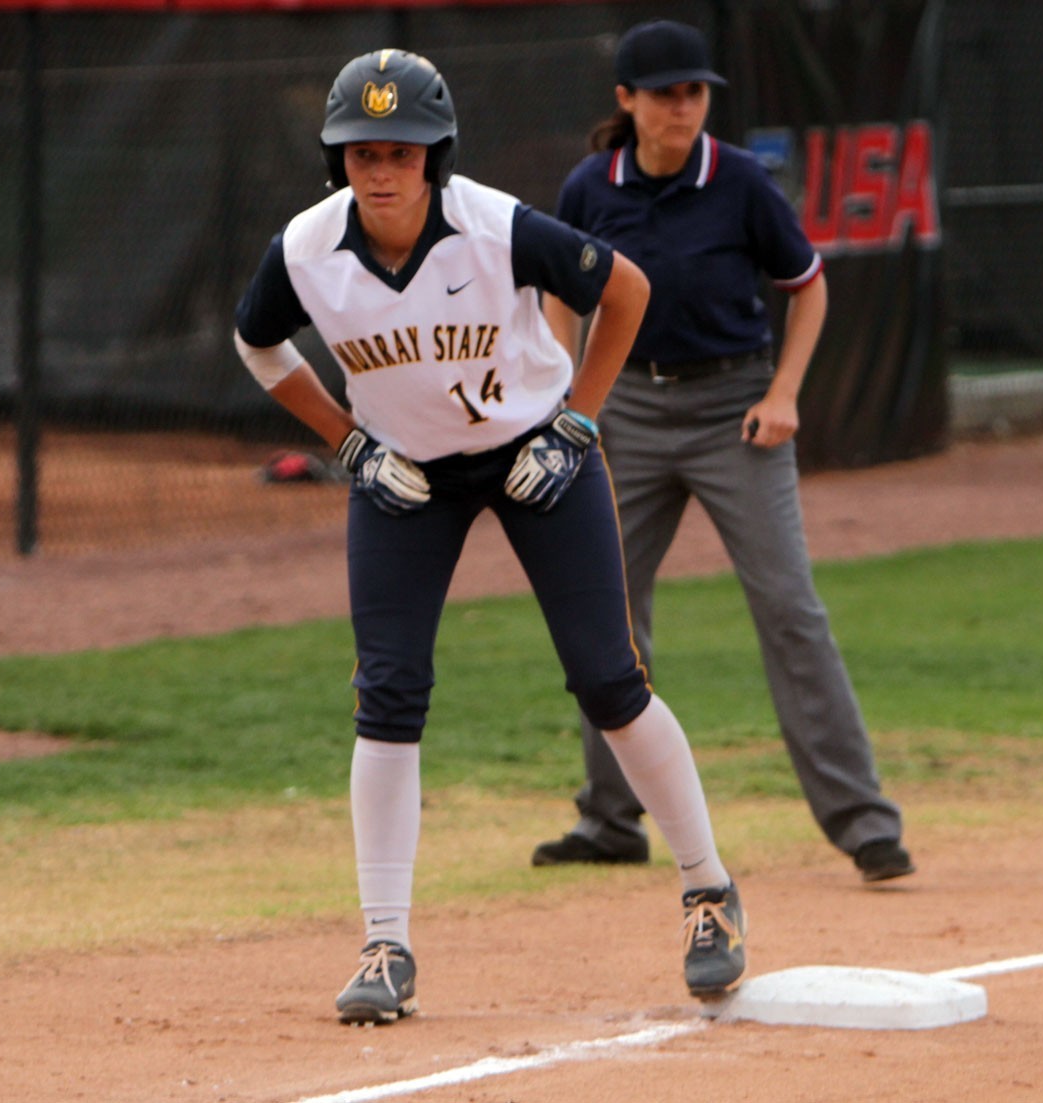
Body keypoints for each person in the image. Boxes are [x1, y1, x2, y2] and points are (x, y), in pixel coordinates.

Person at [233, 48, 748, 1025]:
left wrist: (579, 421)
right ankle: (385, 942)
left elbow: (625, 289)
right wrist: (344, 444)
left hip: (533, 456)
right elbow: (255, 340)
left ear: (438, 154)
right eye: (360, 150)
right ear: (333, 158)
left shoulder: (494, 224)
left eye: (403, 149)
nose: (381, 169)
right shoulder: (304, 248)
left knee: (607, 676)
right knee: (387, 689)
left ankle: (709, 890)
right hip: (405, 475)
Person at [533, 20, 915, 885]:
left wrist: (784, 393)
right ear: (625, 100)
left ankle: (864, 822)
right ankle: (609, 818)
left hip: (731, 410)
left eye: (694, 91)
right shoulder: (591, 186)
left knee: (789, 607)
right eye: (665, 92)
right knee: (604, 613)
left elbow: (808, 286)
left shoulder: (738, 179)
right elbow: (561, 292)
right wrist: (570, 390)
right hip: (624, 408)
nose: (683, 106)